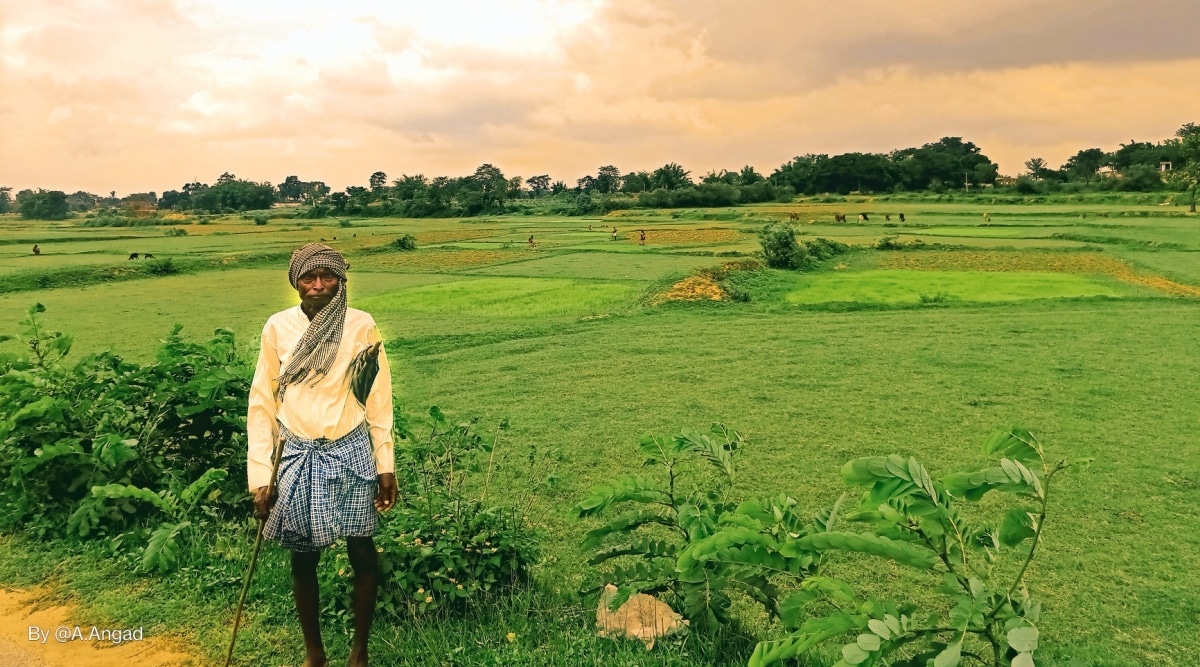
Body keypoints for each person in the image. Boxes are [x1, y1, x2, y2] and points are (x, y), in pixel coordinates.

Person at [247, 243, 396, 667]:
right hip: (295, 452)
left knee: (362, 550)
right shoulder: (278, 328)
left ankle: (359, 649)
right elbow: (262, 401)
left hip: (350, 447)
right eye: (308, 278)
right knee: (303, 555)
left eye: (327, 277)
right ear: (294, 282)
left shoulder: (361, 326)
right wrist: (261, 475)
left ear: (341, 281)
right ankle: (315, 654)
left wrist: (385, 463)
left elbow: (378, 398)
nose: (318, 286)